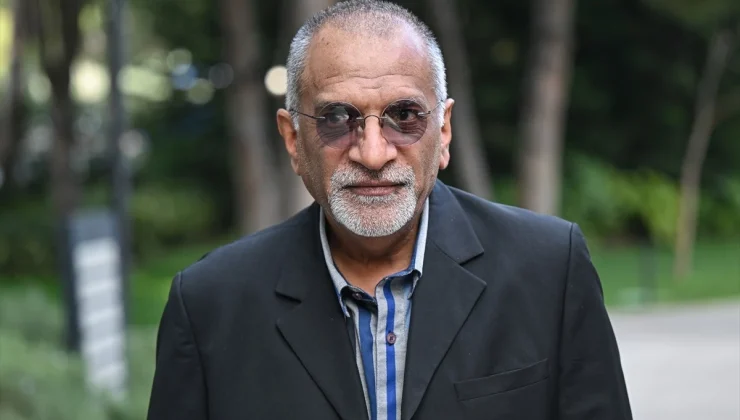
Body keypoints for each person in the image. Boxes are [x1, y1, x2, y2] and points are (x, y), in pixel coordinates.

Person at [146, 1, 633, 419]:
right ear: (293, 140)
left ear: (443, 131)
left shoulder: (549, 270)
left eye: (404, 116)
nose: (374, 153)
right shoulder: (210, 306)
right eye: (338, 118)